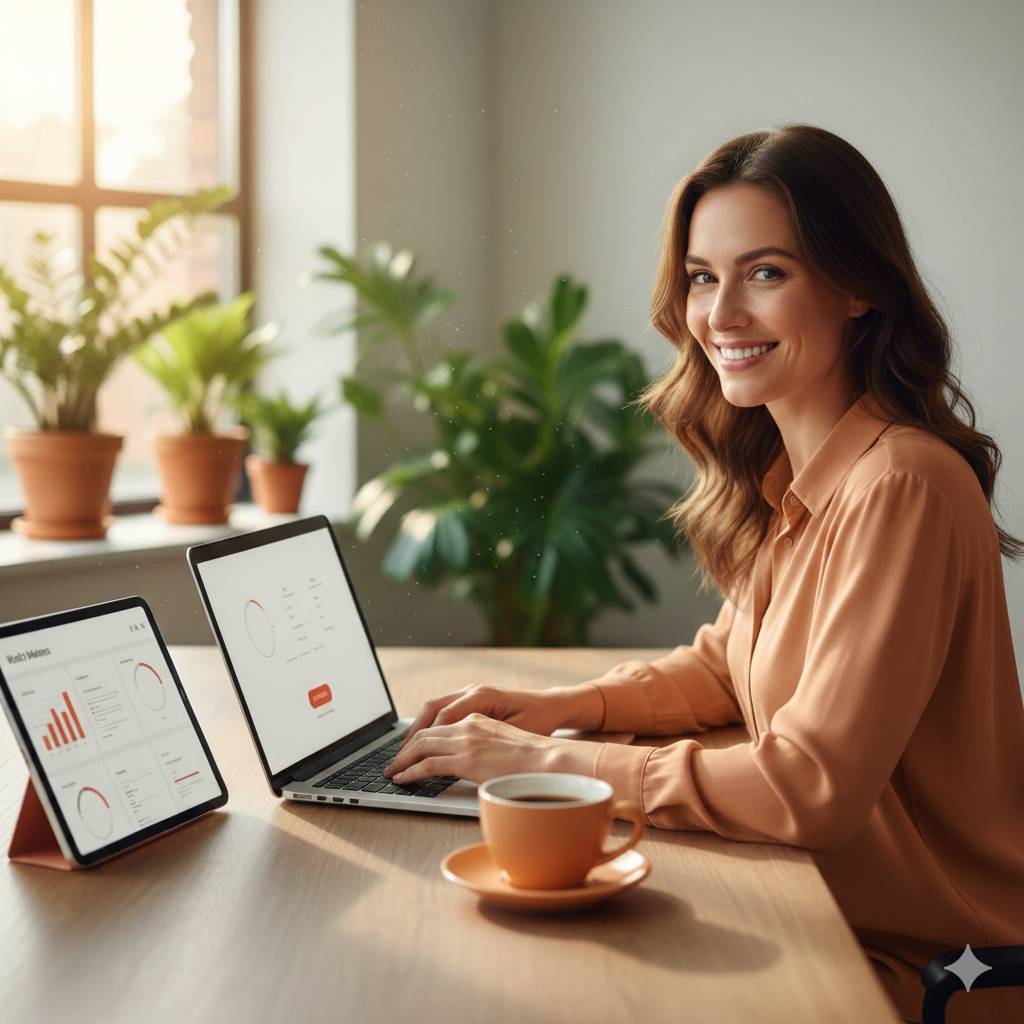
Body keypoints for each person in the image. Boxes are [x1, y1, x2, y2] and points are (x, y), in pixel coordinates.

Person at [384, 124, 1024, 1024]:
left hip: (931, 973)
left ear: (859, 288)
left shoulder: (901, 485)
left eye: (766, 273)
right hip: (832, 917)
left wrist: (546, 762)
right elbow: (730, 668)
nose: (721, 314)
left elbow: (810, 788)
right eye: (701, 276)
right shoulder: (801, 477)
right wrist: (568, 706)